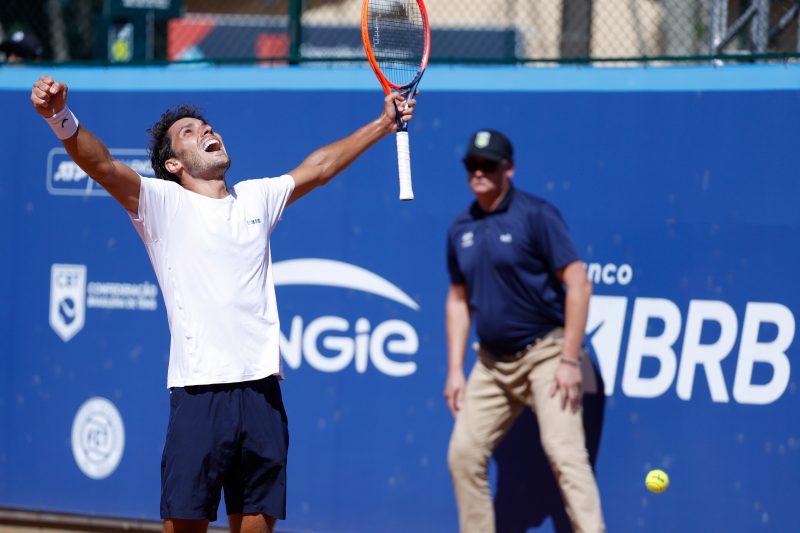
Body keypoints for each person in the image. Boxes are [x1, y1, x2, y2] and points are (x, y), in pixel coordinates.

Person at [30, 75, 415, 533]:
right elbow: (105, 166)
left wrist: (383, 123)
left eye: (208, 126)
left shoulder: (256, 197)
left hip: (261, 393)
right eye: (190, 132)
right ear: (173, 164)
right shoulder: (161, 204)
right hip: (199, 395)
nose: (207, 131)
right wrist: (59, 116)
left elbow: (321, 167)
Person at [444, 129, 605, 533]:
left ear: (508, 169)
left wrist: (569, 360)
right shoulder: (461, 225)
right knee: (463, 455)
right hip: (492, 364)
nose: (478, 172)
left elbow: (579, 283)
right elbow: (458, 300)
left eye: (488, 165)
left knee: (564, 453)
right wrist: (454, 370)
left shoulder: (536, 215)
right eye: (472, 165)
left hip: (547, 356)